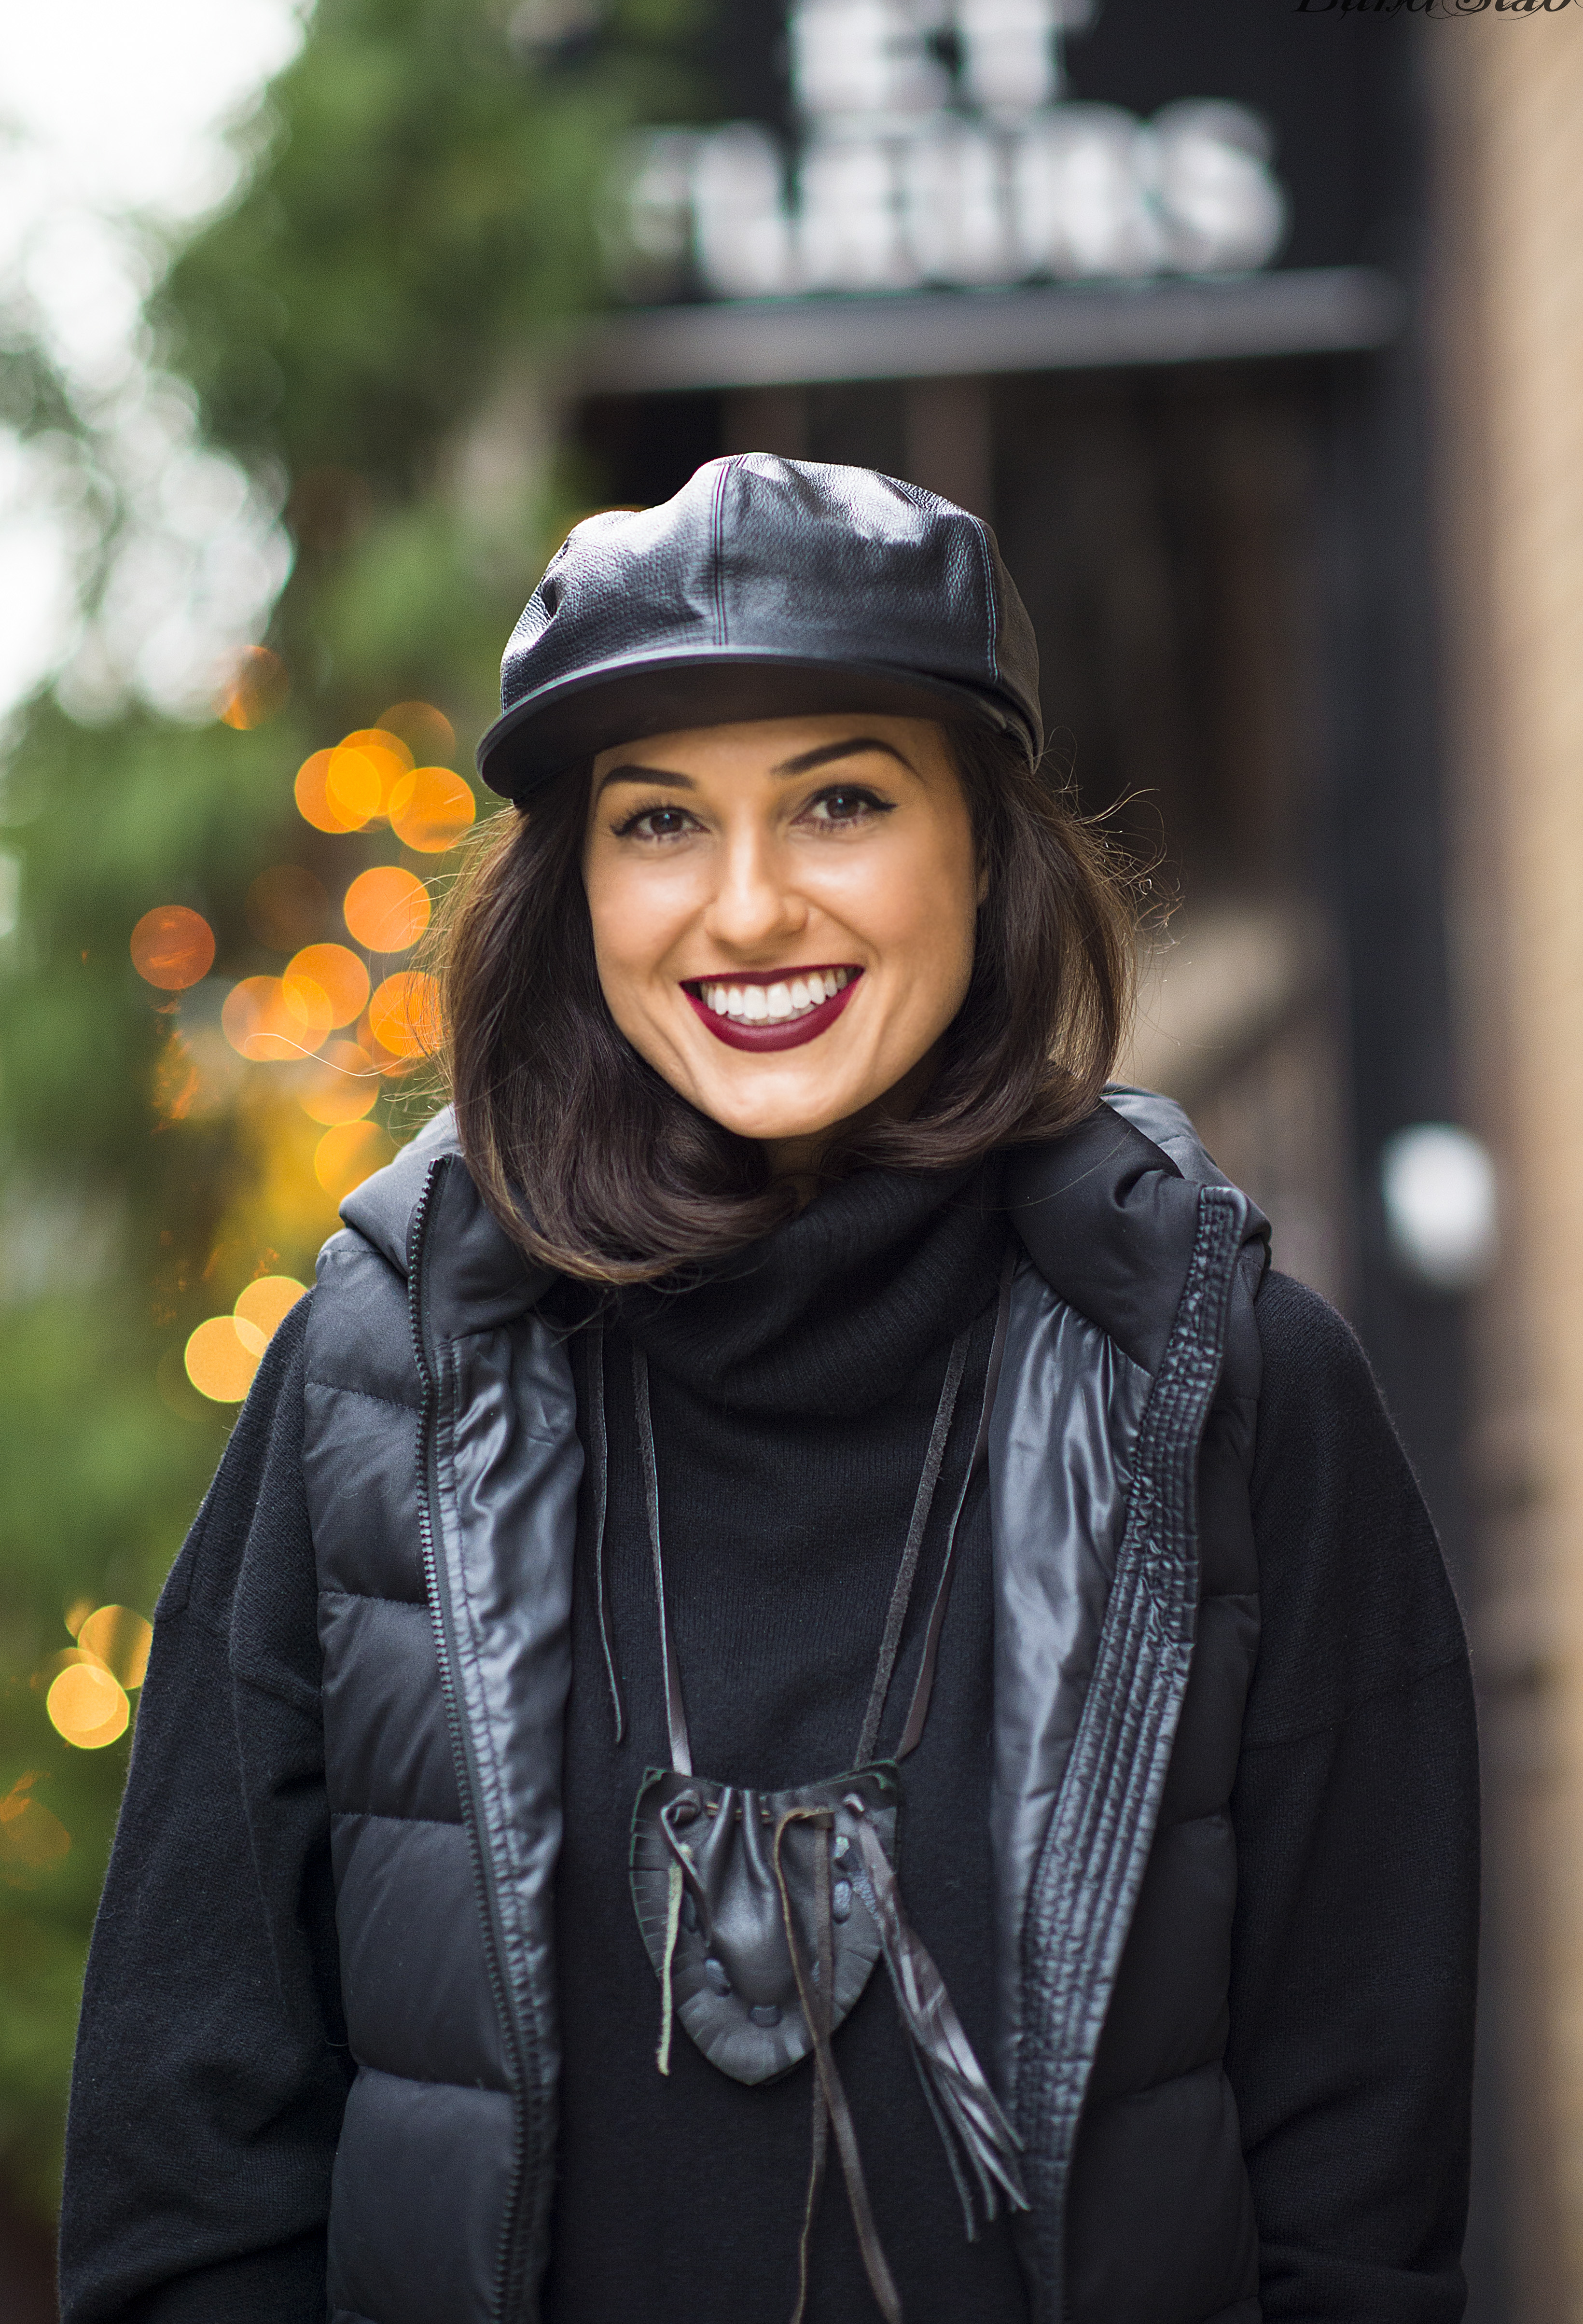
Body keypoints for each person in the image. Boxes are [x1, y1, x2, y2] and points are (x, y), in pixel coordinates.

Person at [60, 456, 1477, 2324]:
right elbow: (187, 2192)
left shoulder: (1230, 1391)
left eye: (839, 800)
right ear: (573, 890)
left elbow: (1360, 2207)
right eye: (658, 823)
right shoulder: (373, 1383)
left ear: (983, 843)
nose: (744, 908)